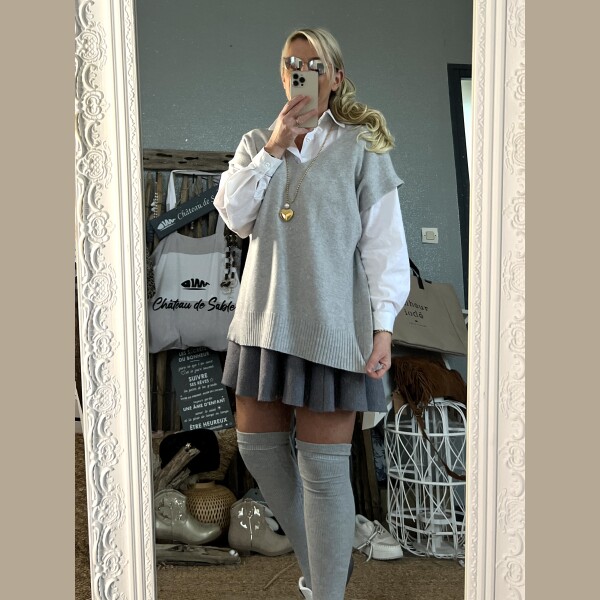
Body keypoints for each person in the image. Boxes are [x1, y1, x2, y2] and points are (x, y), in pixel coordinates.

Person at [214, 27, 410, 600]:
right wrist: (275, 147)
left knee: (323, 473)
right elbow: (235, 217)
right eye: (291, 62)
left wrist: (384, 327)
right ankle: (327, 567)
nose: (300, 70)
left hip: (331, 327)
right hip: (263, 323)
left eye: (313, 63)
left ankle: (324, 590)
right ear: (283, 74)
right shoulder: (257, 143)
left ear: (335, 77)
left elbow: (384, 246)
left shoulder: (361, 147)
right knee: (258, 451)